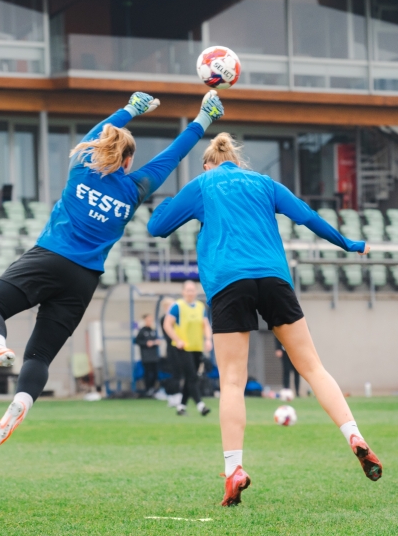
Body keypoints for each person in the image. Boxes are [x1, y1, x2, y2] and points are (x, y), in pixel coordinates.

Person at [0, 90, 225, 449]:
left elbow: (98, 131)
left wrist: (130, 109)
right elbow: (173, 154)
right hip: (83, 280)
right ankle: (20, 404)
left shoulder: (81, 166)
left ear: (101, 148)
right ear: (129, 161)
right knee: (39, 355)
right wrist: (203, 119)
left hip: (49, 258)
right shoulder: (135, 189)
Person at [148, 133, 382, 507]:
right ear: (237, 162)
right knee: (313, 368)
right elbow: (307, 217)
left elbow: (157, 227)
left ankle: (234, 470)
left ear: (207, 164)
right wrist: (349, 244)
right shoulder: (264, 183)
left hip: (228, 282)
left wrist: (162, 200)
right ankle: (354, 434)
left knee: (232, 381)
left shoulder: (203, 184)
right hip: (274, 279)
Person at [162, 280, 212, 416]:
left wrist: (208, 339)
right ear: (183, 292)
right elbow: (167, 324)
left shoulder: (200, 307)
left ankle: (181, 406)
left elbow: (205, 325)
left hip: (197, 347)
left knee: (191, 378)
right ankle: (201, 405)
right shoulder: (177, 306)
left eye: (193, 290)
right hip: (183, 348)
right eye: (188, 290)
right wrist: (177, 340)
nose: (190, 292)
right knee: (192, 377)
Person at [134, 313, 160, 395]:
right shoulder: (142, 331)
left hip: (154, 356)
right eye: (148, 320)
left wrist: (156, 342)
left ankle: (152, 388)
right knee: (148, 373)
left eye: (151, 320)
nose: (150, 321)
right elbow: (137, 341)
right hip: (146, 357)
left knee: (155, 373)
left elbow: (156, 340)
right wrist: (146, 343)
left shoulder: (153, 330)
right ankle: (147, 389)